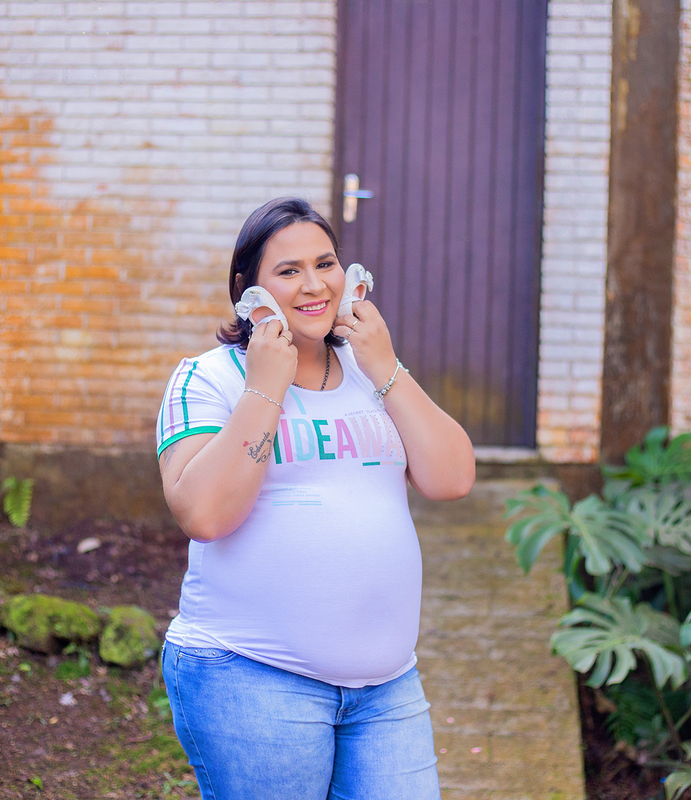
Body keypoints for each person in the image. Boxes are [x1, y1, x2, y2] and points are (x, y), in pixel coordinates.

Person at [156, 197, 476, 799]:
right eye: (288, 271)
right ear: (246, 288)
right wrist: (266, 387)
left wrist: (385, 367)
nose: (314, 285)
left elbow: (452, 478)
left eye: (325, 263)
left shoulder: (371, 373)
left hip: (386, 688)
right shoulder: (209, 378)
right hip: (249, 677)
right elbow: (204, 513)